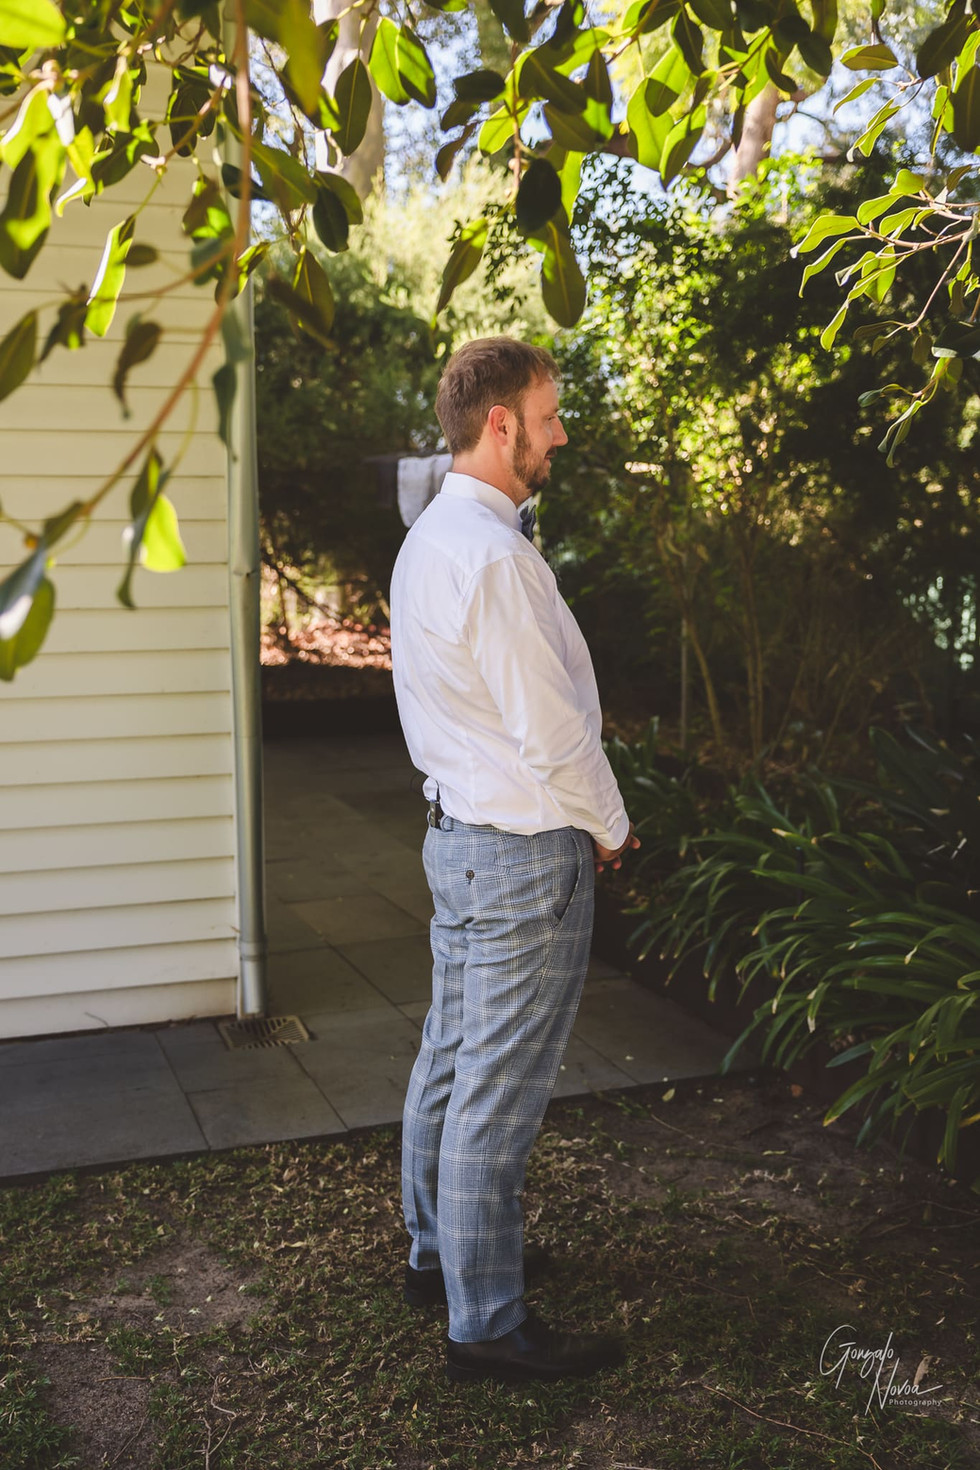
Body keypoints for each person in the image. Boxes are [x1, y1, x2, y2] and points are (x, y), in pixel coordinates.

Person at [389, 336, 640, 1385]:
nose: (560, 433)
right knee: (494, 1087)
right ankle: (483, 1323)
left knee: (451, 1059)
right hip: (519, 851)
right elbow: (551, 736)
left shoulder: (437, 533)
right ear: (500, 424)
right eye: (547, 416)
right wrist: (614, 827)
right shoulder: (488, 555)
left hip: (461, 840)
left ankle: (439, 1256)